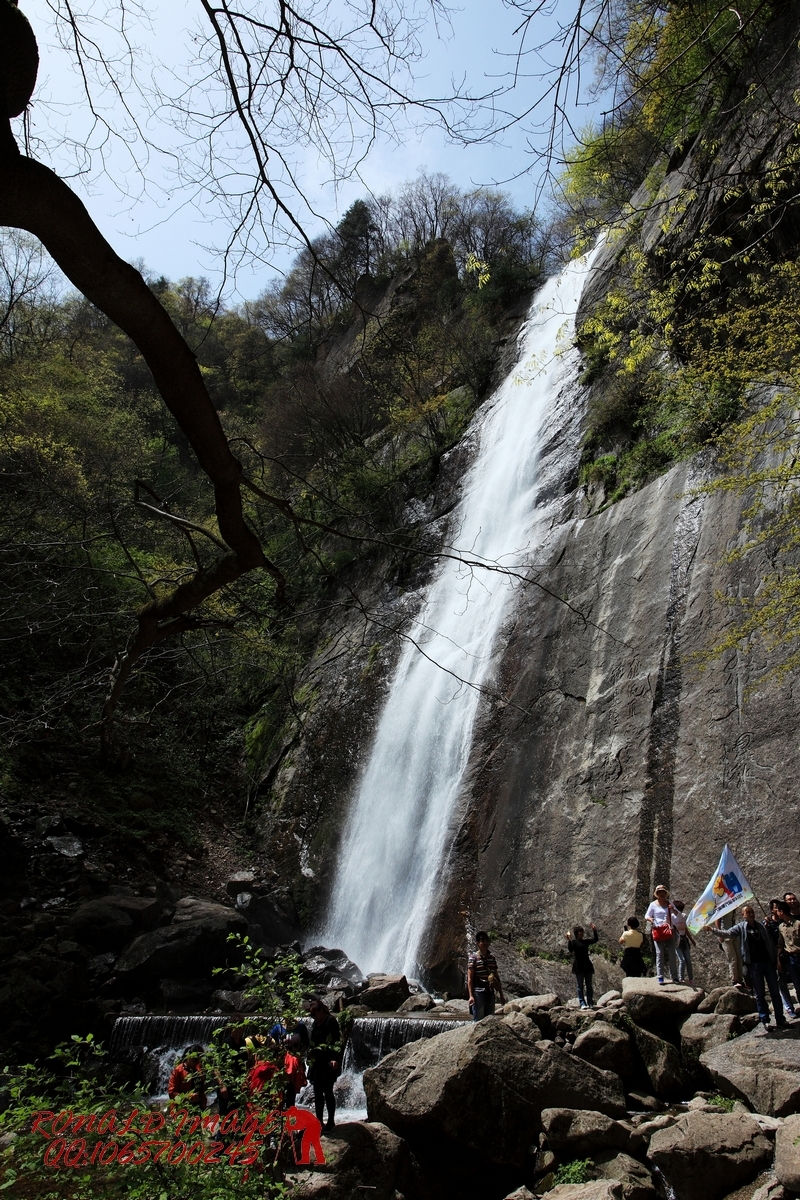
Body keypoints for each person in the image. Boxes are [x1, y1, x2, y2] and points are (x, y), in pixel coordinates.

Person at [710, 905, 787, 1029]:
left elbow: (770, 942)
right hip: (754, 964)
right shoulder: (741, 927)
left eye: (752, 912)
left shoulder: (761, 926)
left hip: (767, 963)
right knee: (760, 994)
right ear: (743, 915)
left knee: (775, 992)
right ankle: (765, 1020)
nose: (751, 914)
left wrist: (775, 960)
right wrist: (713, 930)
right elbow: (728, 933)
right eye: (748, 912)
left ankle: (780, 1019)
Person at [308, 998, 341, 1131]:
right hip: (317, 1063)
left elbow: (336, 1042)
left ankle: (331, 1121)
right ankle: (319, 1121)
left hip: (328, 1063)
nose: (314, 1017)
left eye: (316, 1014)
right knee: (317, 1093)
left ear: (322, 1010)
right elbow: (313, 1041)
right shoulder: (316, 1024)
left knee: (328, 1091)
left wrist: (335, 1059)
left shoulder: (331, 1022)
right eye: (312, 1015)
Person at [765, 900, 796, 1018]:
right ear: (772, 910)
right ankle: (789, 1008)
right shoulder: (768, 923)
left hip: (789, 954)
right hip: (777, 955)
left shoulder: (786, 921)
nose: (778, 910)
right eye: (775, 908)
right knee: (782, 983)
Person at [644, 885, 680, 984]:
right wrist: (650, 919)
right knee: (659, 953)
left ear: (665, 893)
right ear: (657, 894)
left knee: (672, 953)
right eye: (660, 892)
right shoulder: (653, 905)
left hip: (668, 929)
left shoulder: (669, 903)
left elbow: (678, 915)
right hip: (658, 930)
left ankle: (674, 976)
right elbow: (647, 915)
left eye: (663, 892)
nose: (662, 894)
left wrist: (673, 909)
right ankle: (660, 976)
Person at [467, 931, 505, 1021]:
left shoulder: (492, 958)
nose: (485, 943)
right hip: (478, 992)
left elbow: (496, 976)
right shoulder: (473, 958)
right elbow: (470, 978)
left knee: (490, 1020)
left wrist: (501, 994)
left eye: (487, 941)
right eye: (482, 941)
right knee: (479, 1020)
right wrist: (471, 996)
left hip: (490, 992)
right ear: (477, 943)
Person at [566, 923, 598, 1008]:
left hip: (587, 964)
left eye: (582, 933)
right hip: (578, 966)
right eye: (579, 933)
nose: (581, 935)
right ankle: (582, 1003)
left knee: (589, 986)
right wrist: (569, 940)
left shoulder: (585, 941)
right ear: (576, 934)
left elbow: (595, 940)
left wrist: (594, 930)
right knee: (580, 986)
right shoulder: (574, 942)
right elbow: (570, 949)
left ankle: (590, 1002)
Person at [778, 895, 800, 1005]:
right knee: (798, 986)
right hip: (791, 960)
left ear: (782, 911)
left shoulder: (797, 924)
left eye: (778, 910)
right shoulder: (781, 927)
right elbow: (781, 943)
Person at [715, 910, 745, 987]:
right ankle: (734, 980)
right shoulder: (722, 907)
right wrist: (719, 934)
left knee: (739, 957)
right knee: (732, 958)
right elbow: (717, 920)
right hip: (725, 934)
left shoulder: (733, 906)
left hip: (734, 934)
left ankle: (740, 979)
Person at [672, 900, 696, 985]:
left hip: (684, 939)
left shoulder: (684, 916)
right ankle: (681, 978)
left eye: (681, 910)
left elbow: (685, 929)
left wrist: (691, 939)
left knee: (688, 960)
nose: (680, 912)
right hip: (676, 941)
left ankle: (691, 979)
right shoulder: (671, 917)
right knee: (681, 960)